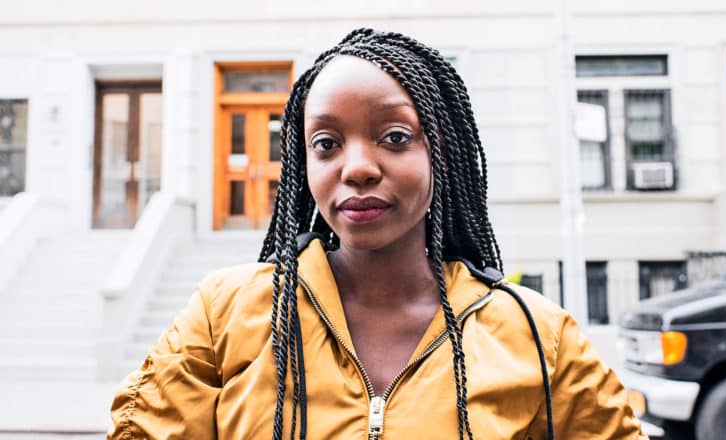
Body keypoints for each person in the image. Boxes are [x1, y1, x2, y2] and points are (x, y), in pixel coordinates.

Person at [108, 28, 647, 439]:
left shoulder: (537, 337)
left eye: (393, 136)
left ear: (443, 153)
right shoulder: (224, 314)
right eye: (326, 143)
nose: (357, 167)